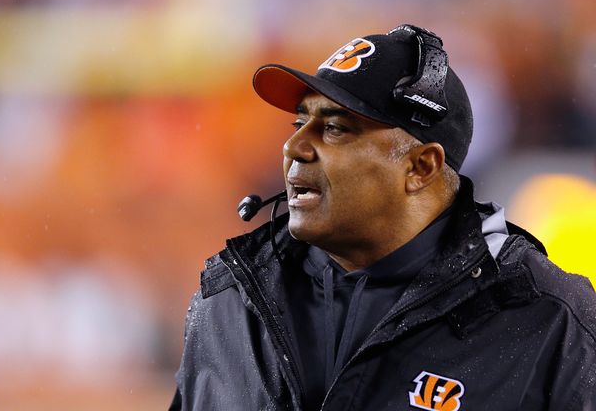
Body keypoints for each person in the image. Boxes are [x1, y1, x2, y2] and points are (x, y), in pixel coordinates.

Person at [170, 24, 596, 410]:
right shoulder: (228, 302)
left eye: (335, 128)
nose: (294, 147)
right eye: (299, 123)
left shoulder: (549, 319)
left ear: (421, 167)